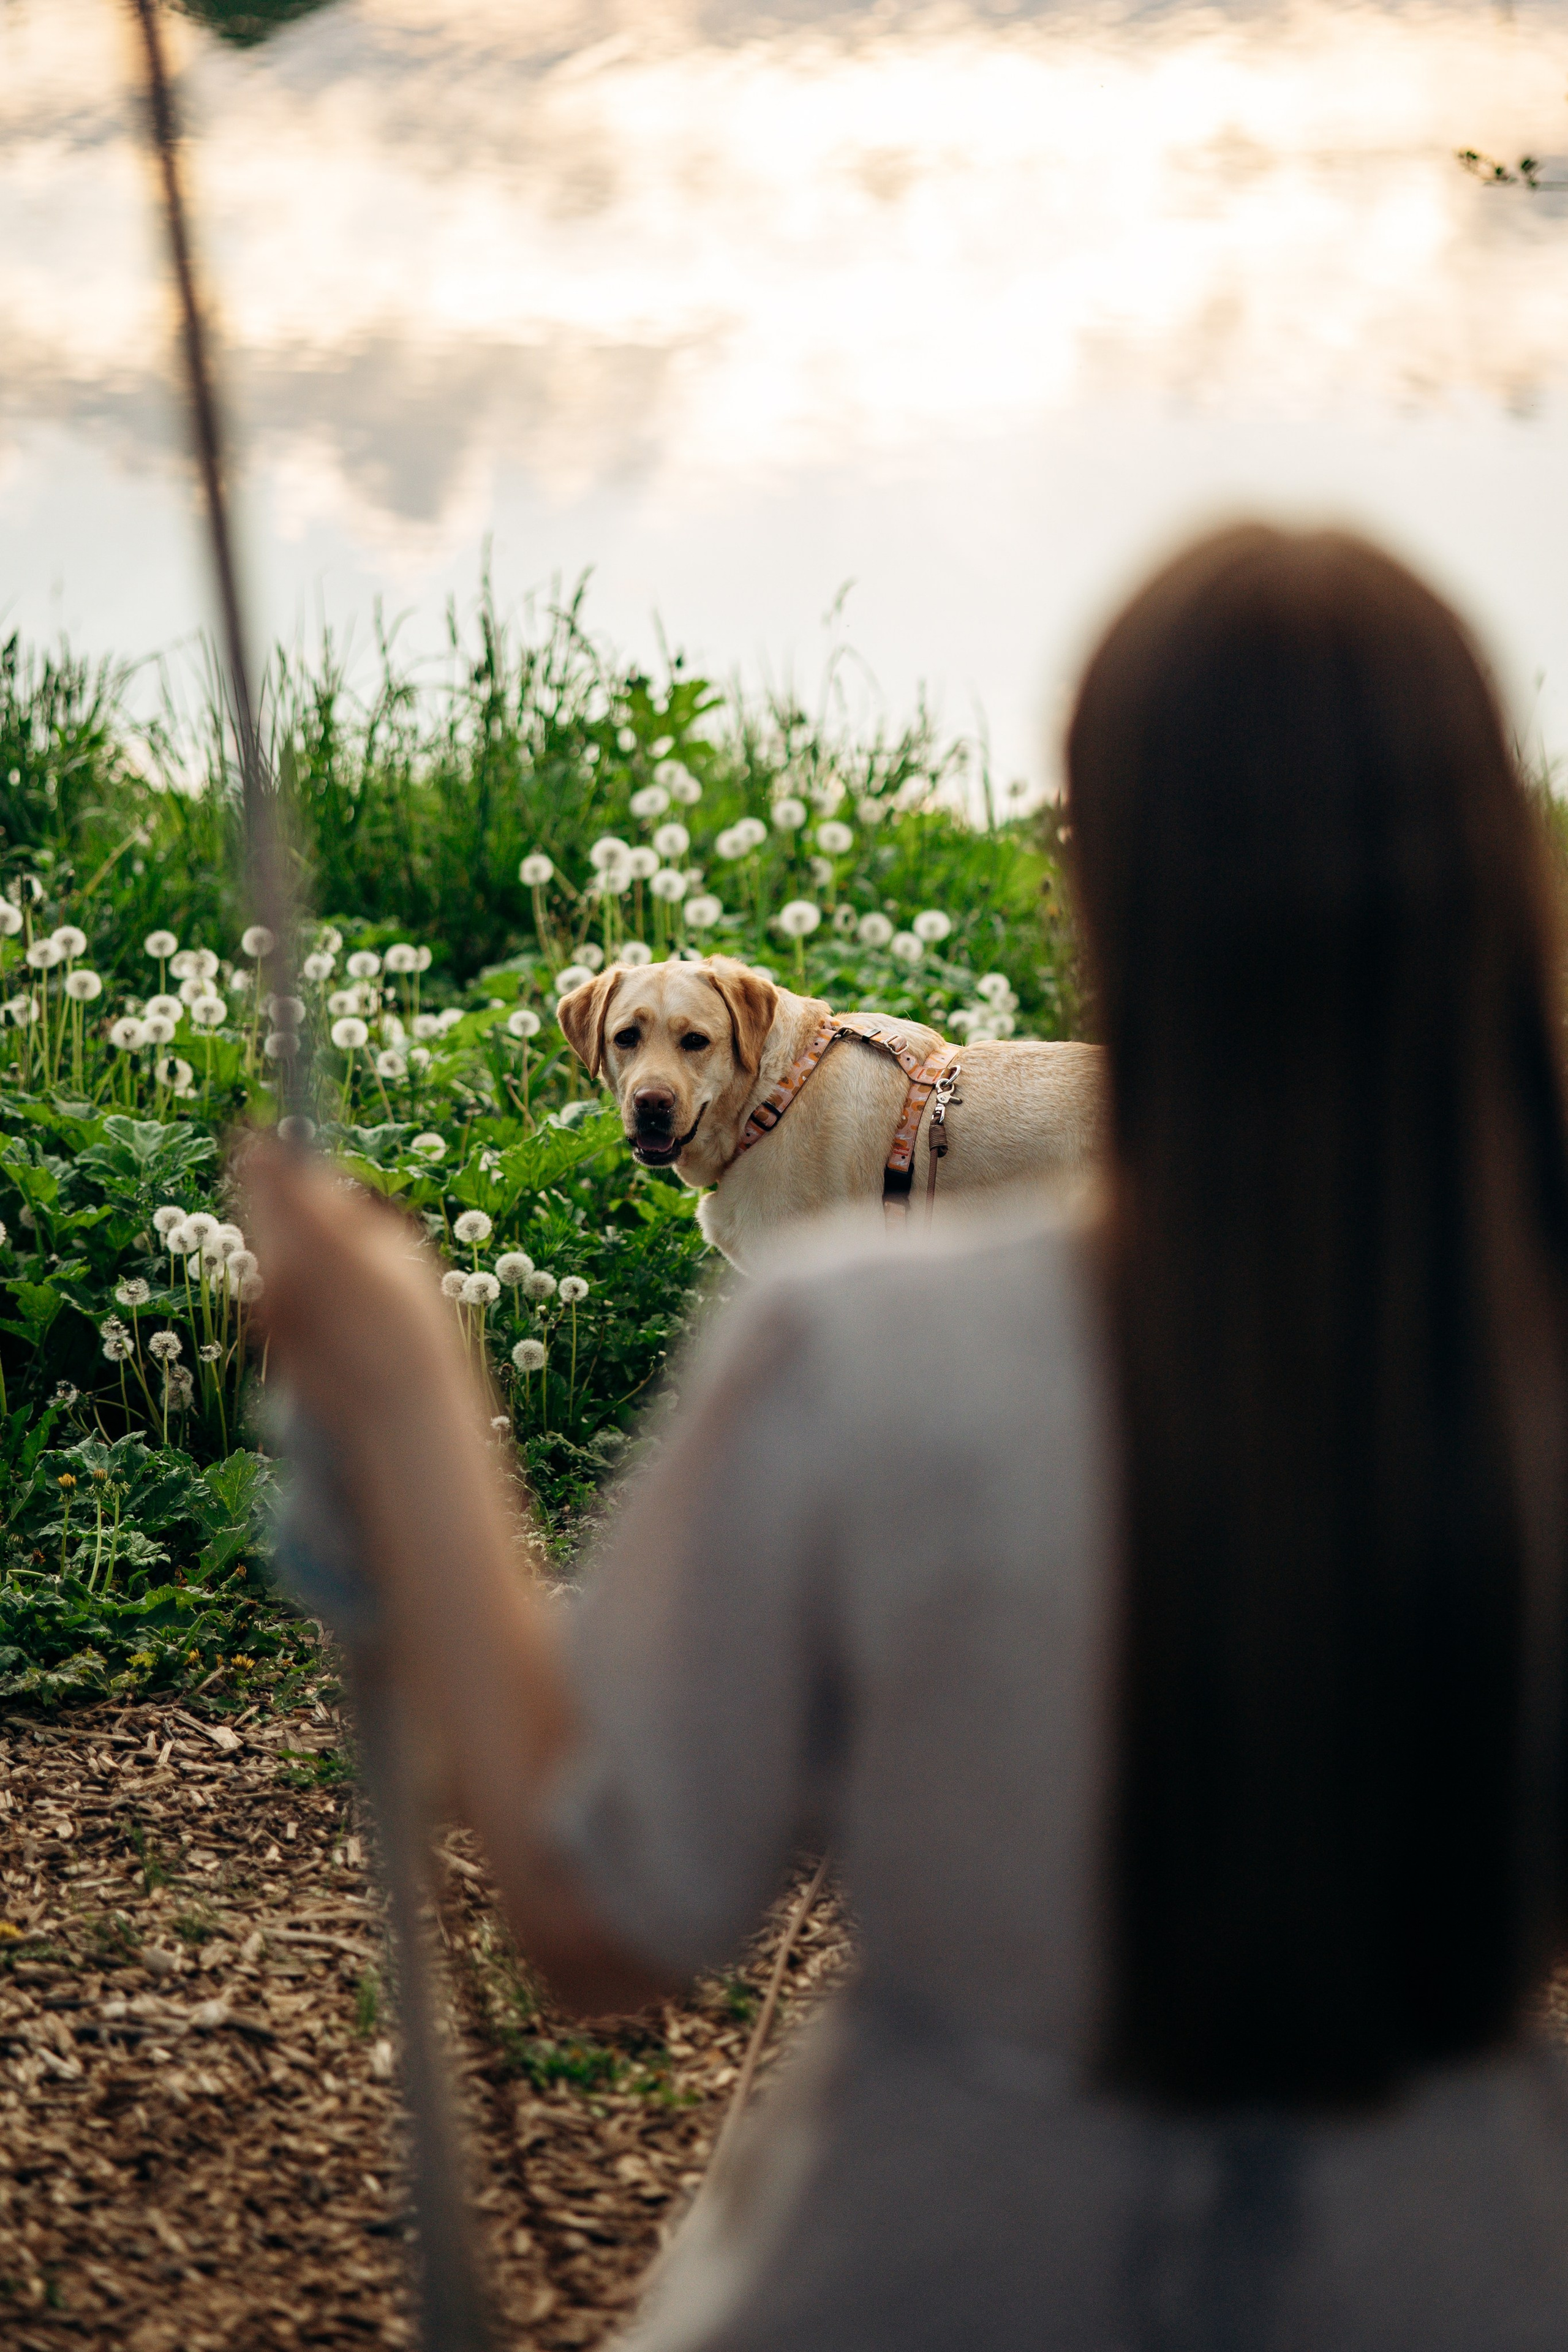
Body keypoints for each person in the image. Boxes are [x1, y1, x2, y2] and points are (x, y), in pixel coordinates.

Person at [249, 524, 1568, 2350]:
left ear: (1097, 889)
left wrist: (403, 1394)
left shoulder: (850, 1345)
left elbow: (596, 1907)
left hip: (937, 2271)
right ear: (1498, 880)